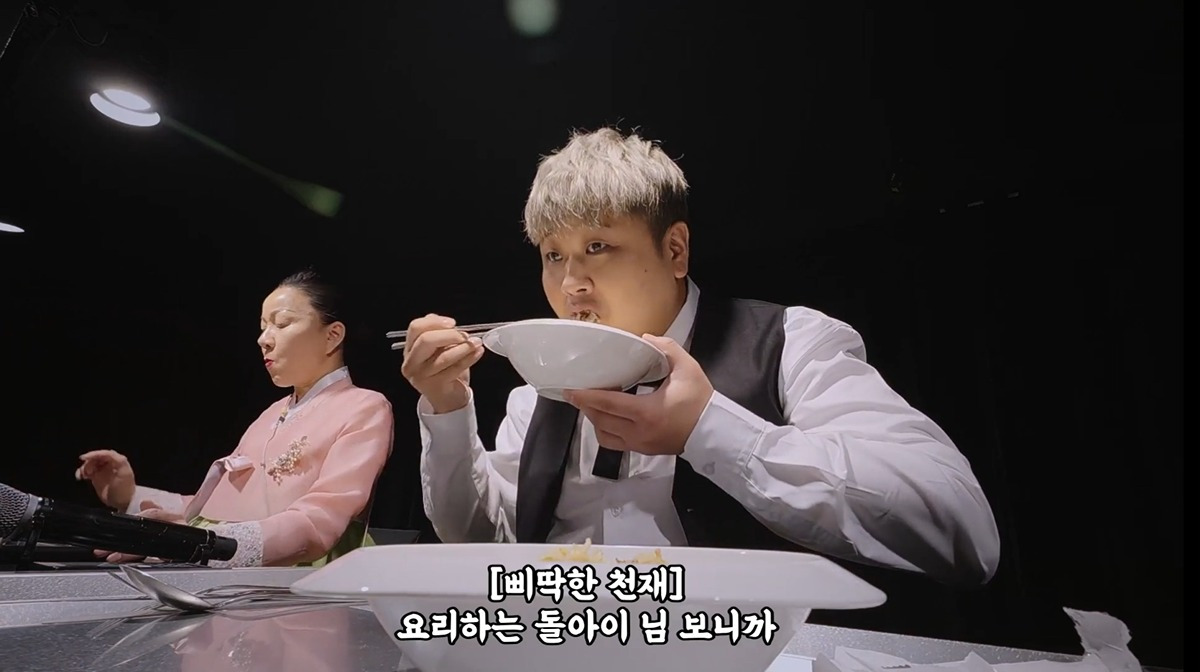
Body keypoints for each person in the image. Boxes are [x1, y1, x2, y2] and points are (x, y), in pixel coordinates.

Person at [403, 127, 1000, 590]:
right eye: (553, 255)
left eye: (597, 247)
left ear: (675, 250)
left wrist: (709, 429)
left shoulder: (789, 343)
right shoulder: (538, 392)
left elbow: (964, 533)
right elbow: (487, 539)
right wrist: (447, 406)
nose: (570, 284)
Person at [75, 269, 394, 568]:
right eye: (263, 327)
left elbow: (320, 518)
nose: (264, 339)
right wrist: (131, 496)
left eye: (282, 323)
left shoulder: (364, 406)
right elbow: (216, 510)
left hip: (302, 581)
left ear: (332, 335)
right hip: (232, 573)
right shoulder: (271, 414)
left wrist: (206, 543)